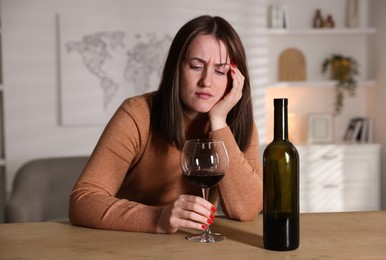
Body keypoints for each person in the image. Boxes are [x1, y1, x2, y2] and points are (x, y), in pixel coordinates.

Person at [69, 15, 263, 234]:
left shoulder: (235, 123)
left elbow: (247, 210)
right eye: (196, 66)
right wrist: (158, 218)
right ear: (176, 68)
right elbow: (82, 201)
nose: (206, 81)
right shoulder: (137, 113)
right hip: (132, 243)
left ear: (235, 78)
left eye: (220, 71)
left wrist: (218, 123)